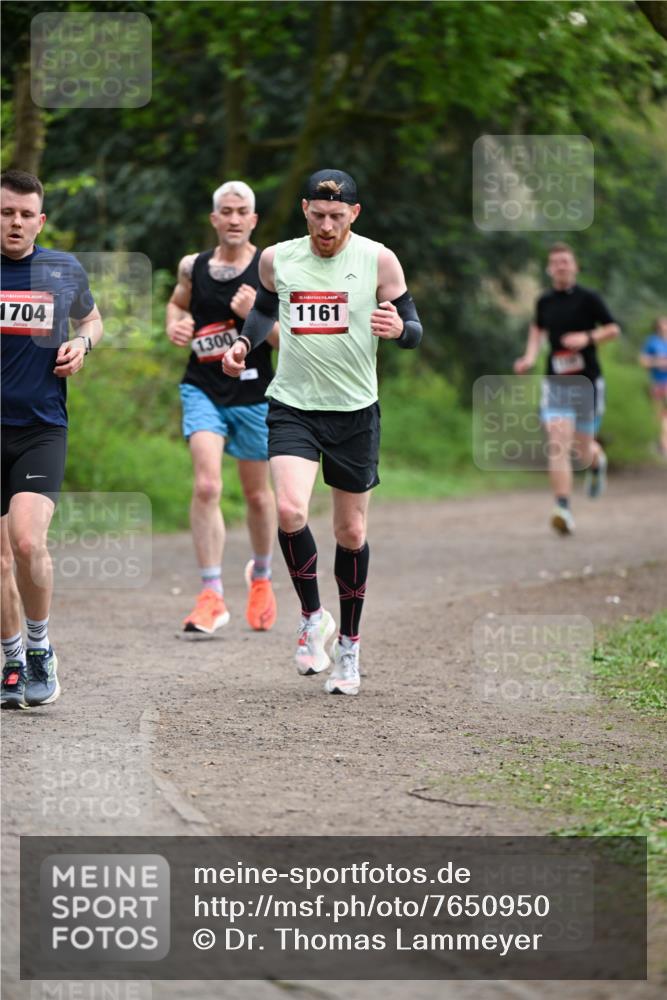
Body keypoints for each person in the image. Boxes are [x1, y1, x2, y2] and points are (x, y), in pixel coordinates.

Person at [223, 168, 422, 695]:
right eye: (318, 216)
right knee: (289, 510)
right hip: (293, 405)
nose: (327, 227)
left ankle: (350, 650)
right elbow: (266, 308)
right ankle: (313, 618)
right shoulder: (277, 258)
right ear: (305, 212)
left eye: (337, 217)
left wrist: (401, 330)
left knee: (350, 533)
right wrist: (245, 344)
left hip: (356, 411)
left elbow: (414, 326)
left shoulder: (378, 259)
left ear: (354, 215)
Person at [1, 169, 103, 709]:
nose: (15, 223)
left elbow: (92, 319)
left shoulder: (61, 269)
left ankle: (41, 650)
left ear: (39, 220)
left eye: (24, 214)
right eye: (5, 212)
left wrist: (83, 345)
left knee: (25, 540)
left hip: (41, 427)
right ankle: (12, 660)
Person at [166, 180, 278, 637]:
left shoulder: (269, 269)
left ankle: (263, 579)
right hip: (203, 389)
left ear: (253, 220)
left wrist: (257, 315)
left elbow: (284, 342)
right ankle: (211, 594)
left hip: (253, 395)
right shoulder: (193, 267)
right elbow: (176, 305)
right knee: (208, 485)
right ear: (214, 219)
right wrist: (176, 326)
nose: (233, 219)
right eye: (225, 211)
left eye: (242, 212)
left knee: (256, 495)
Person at [514, 243, 620, 536]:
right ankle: (562, 508)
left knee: (582, 452)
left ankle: (597, 462)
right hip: (556, 381)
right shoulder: (544, 302)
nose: (561, 266)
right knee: (558, 440)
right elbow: (537, 331)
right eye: (556, 262)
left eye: (566, 261)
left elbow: (613, 329)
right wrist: (529, 357)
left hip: (587, 382)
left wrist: (588, 337)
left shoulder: (589, 299)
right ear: (550, 269)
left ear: (575, 266)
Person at [639, 315, 667, 457]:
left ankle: (663, 443)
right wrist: (658, 363)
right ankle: (661, 443)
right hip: (658, 382)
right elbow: (643, 361)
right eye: (663, 323)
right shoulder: (652, 342)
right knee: (659, 415)